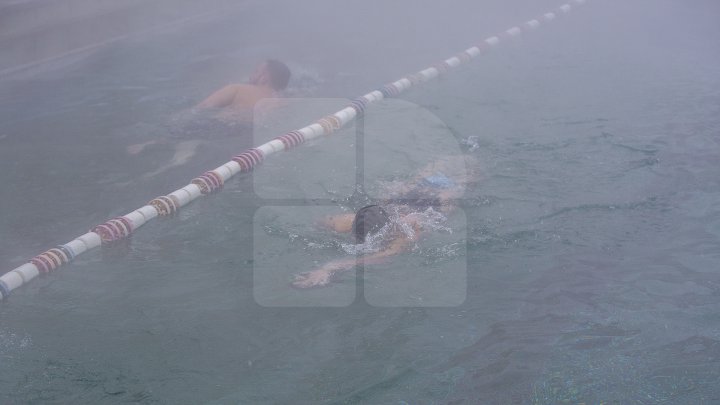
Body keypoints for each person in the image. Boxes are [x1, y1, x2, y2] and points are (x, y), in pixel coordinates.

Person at [292, 155, 478, 288]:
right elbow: (319, 222)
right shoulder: (348, 220)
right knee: (405, 188)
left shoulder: (405, 232)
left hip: (432, 206)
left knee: (453, 192)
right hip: (404, 199)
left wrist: (329, 267)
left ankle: (461, 164)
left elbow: (382, 257)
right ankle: (444, 163)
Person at [126, 60, 291, 176]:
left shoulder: (239, 88)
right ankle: (178, 158)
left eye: (256, 71)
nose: (252, 74)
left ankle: (151, 146)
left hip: (221, 125)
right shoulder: (282, 103)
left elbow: (203, 108)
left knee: (183, 137)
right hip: (247, 136)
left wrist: (177, 116)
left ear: (264, 77)